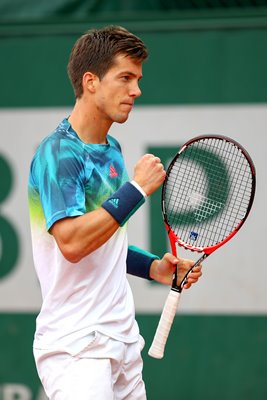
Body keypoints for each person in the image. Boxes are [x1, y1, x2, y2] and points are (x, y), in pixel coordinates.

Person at [28, 25, 202, 400]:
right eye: (125, 78)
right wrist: (137, 189)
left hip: (120, 338)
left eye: (137, 79)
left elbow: (102, 244)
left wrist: (154, 268)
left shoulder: (111, 149)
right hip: (77, 347)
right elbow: (72, 243)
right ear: (90, 81)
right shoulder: (57, 154)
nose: (136, 90)